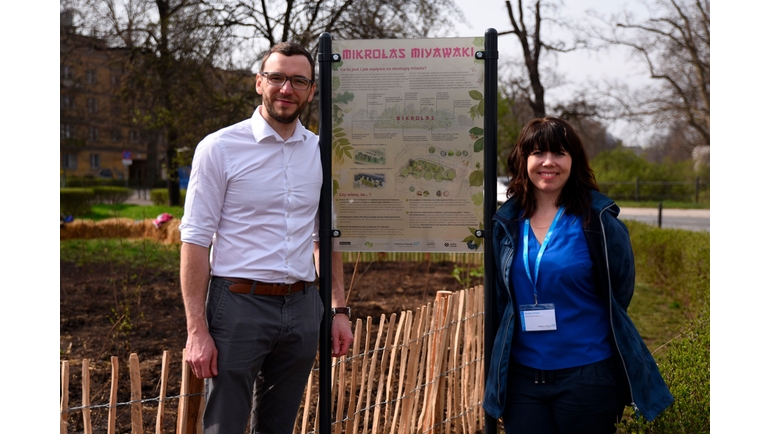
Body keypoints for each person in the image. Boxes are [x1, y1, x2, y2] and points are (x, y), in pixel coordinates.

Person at [179, 41, 354, 434]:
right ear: (259, 83)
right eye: (276, 77)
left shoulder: (320, 152)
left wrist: (338, 309)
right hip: (238, 306)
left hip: (304, 307)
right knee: (225, 426)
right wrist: (196, 330)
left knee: (278, 426)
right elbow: (194, 240)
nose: (286, 89)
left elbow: (323, 236)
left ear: (311, 91)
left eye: (298, 81)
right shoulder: (219, 148)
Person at [483, 117, 673, 433]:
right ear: (523, 159)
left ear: (574, 160)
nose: (548, 162)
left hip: (589, 378)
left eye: (559, 153)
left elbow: (620, 290)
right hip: (522, 381)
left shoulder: (598, 222)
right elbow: (502, 298)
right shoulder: (506, 224)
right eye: (538, 153)